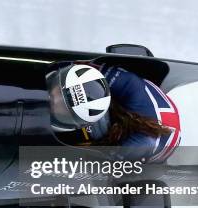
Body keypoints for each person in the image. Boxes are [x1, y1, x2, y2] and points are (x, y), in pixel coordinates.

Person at [48, 64, 181, 163]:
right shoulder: (128, 84)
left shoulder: (137, 146)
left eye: (63, 108)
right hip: (138, 102)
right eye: (59, 91)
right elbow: (82, 71)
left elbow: (101, 170)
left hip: (145, 148)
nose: (53, 97)